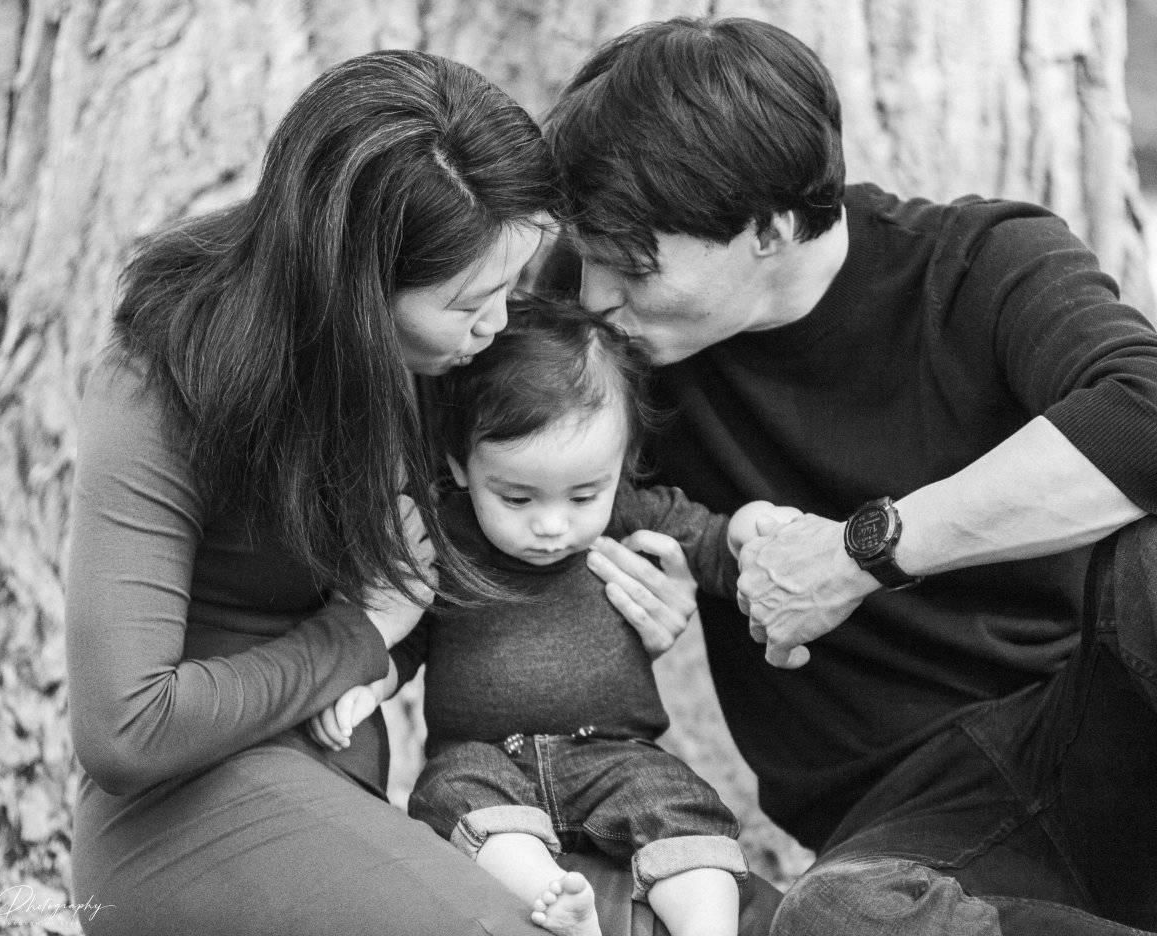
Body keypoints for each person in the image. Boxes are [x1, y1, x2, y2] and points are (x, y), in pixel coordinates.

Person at [542, 15, 1157, 936]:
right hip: (911, 842)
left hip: (1116, 758)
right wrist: (699, 548)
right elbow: (502, 463)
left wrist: (863, 553)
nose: (592, 298)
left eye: (629, 267)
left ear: (772, 227)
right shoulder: (604, 328)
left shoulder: (981, 262)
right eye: (587, 258)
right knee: (835, 916)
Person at [64, 49, 770, 936]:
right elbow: (126, 730)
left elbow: (537, 496)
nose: (501, 324)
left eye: (511, 287)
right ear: (356, 291)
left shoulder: (440, 354)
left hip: (363, 794)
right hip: (187, 806)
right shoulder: (161, 383)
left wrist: (612, 606)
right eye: (470, 301)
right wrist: (358, 636)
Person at [308, 297, 800, 936]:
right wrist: (364, 681)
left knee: (680, 811)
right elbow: (406, 637)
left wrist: (751, 536)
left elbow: (711, 546)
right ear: (460, 466)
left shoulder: (632, 513)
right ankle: (561, 904)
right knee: (451, 800)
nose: (550, 524)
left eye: (583, 495)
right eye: (515, 497)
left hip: (616, 751)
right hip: (480, 757)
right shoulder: (441, 538)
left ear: (619, 466)